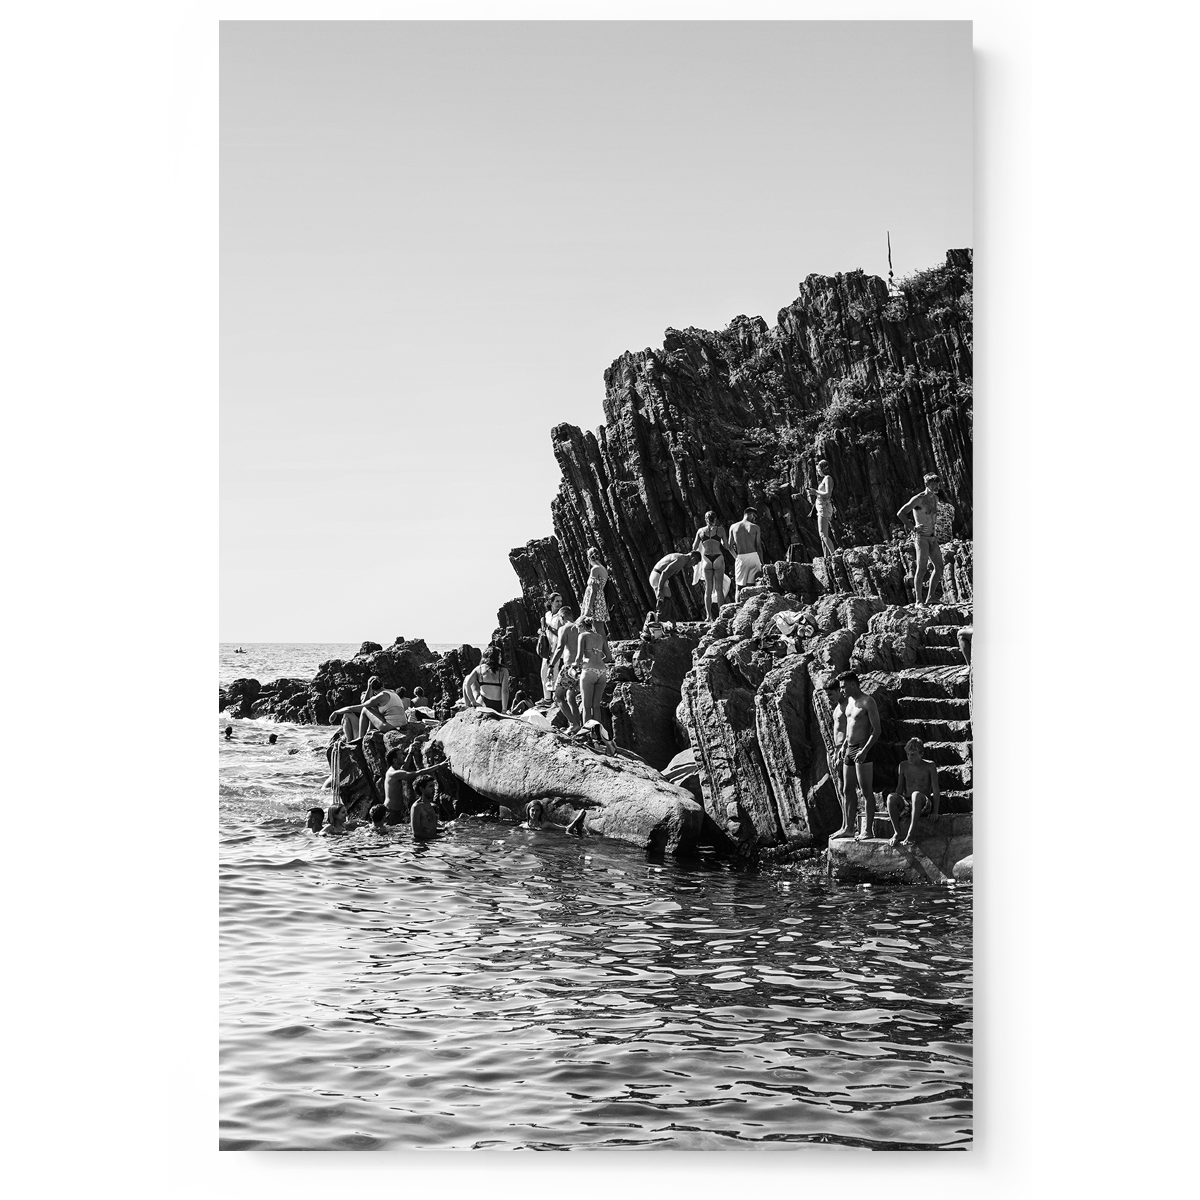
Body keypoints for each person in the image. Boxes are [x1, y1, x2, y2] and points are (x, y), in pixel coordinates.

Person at [834, 670, 881, 840]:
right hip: (849, 748)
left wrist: (865, 751)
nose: (841, 690)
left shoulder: (868, 701)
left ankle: (868, 830)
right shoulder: (849, 703)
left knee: (866, 790)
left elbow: (877, 730)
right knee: (847, 789)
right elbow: (850, 728)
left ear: (853, 684)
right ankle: (848, 828)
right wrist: (844, 746)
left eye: (843, 686)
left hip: (863, 748)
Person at [897, 473, 945, 605]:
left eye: (938, 484)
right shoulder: (918, 499)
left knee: (939, 567)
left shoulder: (935, 499)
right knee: (922, 568)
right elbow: (901, 513)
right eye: (933, 484)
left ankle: (931, 598)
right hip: (921, 538)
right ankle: (919, 601)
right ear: (927, 484)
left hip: (932, 538)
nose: (936, 487)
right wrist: (913, 528)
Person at [887, 738, 941, 847]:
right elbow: (899, 789)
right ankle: (897, 833)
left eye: (913, 755)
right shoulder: (903, 765)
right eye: (907, 754)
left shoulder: (930, 765)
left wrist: (935, 811)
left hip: (924, 803)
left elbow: (936, 790)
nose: (910, 757)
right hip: (908, 803)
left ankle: (910, 834)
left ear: (921, 754)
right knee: (891, 797)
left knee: (915, 795)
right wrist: (894, 808)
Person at [329, 677, 409, 738]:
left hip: (389, 726)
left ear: (372, 689)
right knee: (372, 709)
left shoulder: (380, 696)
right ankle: (366, 733)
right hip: (402, 725)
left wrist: (336, 712)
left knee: (365, 709)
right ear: (383, 685)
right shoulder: (392, 692)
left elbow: (362, 706)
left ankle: (360, 738)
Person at [383, 746, 441, 825]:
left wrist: (410, 754)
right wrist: (439, 765)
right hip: (391, 811)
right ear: (395, 760)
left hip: (395, 810)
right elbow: (418, 772)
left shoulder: (393, 770)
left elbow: (404, 768)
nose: (403, 756)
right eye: (400, 754)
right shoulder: (394, 774)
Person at [793, 459, 838, 559]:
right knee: (822, 535)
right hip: (821, 507)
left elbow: (828, 494)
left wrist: (815, 492)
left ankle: (834, 555)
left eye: (819, 469)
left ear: (823, 469)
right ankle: (826, 557)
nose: (818, 471)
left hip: (824, 507)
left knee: (823, 534)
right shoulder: (825, 479)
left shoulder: (828, 478)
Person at [692, 511, 730, 621]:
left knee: (708, 589)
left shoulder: (701, 531)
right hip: (718, 558)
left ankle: (709, 616)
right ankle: (721, 615)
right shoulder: (720, 530)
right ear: (715, 519)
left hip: (706, 559)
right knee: (719, 588)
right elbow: (726, 546)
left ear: (705, 519)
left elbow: (694, 547)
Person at [573, 617, 609, 727]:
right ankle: (598, 734)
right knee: (596, 706)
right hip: (602, 671)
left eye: (578, 628)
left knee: (587, 707)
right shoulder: (600, 637)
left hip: (589, 671)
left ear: (582, 626)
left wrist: (575, 666)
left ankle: (587, 734)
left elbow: (578, 658)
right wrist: (598, 662)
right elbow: (609, 657)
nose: (578, 631)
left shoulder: (583, 636)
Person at [550, 606, 582, 731]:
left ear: (562, 617)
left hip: (569, 667)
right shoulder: (581, 627)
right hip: (582, 666)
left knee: (558, 697)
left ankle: (574, 724)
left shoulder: (564, 628)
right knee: (570, 696)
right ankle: (577, 726)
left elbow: (560, 648)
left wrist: (551, 665)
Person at [648, 550, 699, 621]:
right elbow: (665, 572)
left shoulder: (682, 558)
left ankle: (672, 621)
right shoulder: (681, 560)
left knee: (668, 599)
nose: (693, 565)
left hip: (660, 576)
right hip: (658, 576)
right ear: (693, 559)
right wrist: (660, 589)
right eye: (695, 563)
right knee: (664, 600)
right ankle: (658, 620)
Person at [728, 507, 765, 600]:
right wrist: (762, 562)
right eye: (755, 517)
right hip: (754, 557)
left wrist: (736, 557)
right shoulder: (755, 527)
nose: (755, 520)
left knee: (739, 588)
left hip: (741, 557)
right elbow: (758, 547)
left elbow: (729, 546)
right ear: (750, 514)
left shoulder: (733, 527)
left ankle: (738, 606)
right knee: (751, 587)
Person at [539, 593, 567, 699]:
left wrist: (549, 627)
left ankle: (555, 698)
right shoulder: (547, 615)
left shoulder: (561, 616)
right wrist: (541, 630)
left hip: (556, 647)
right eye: (557, 601)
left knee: (554, 671)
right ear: (551, 602)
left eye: (560, 601)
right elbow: (545, 630)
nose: (559, 603)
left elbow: (560, 633)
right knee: (543, 672)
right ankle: (547, 698)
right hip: (547, 647)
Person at [579, 548, 610, 640]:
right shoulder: (603, 568)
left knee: (598, 630)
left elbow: (594, 590)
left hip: (595, 601)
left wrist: (589, 608)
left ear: (589, 558)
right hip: (600, 599)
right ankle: (602, 648)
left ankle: (603, 648)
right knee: (599, 629)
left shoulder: (595, 569)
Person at [410, 776, 439, 840]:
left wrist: (445, 830)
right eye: (430, 786)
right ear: (422, 789)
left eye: (434, 786)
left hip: (431, 843)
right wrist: (438, 838)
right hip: (421, 844)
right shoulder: (417, 807)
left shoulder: (430, 805)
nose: (434, 789)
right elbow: (416, 833)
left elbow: (430, 829)